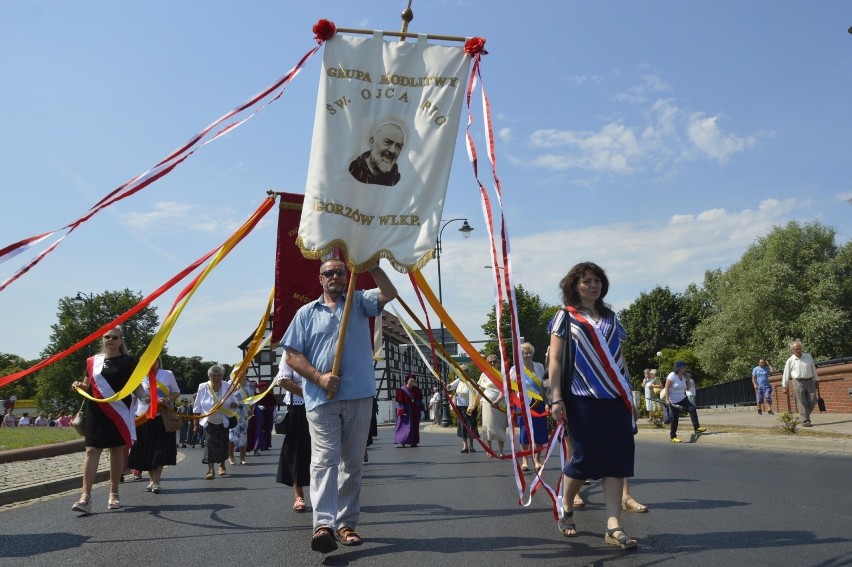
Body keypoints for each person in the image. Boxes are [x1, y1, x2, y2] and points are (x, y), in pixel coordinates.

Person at [280, 258, 397, 553]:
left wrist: (371, 266)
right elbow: (292, 355)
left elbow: (389, 293)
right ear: (320, 279)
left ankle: (346, 524)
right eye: (329, 273)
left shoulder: (359, 301)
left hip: (358, 395)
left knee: (352, 462)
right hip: (321, 399)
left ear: (347, 276)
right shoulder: (305, 313)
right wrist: (318, 377)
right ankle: (324, 525)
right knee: (324, 460)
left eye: (340, 272)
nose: (335, 276)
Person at [547, 262, 639, 549]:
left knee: (616, 460)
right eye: (587, 281)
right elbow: (556, 360)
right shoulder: (565, 316)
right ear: (575, 285)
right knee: (584, 460)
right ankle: (566, 505)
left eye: (597, 280)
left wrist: (630, 393)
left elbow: (620, 359)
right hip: (582, 398)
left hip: (616, 398)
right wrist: (556, 397)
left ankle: (613, 525)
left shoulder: (612, 318)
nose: (593, 285)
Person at [70, 326, 148, 514]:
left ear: (121, 341)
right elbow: (87, 385)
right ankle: (85, 497)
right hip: (96, 411)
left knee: (116, 451)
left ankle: (114, 493)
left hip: (119, 412)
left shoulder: (129, 361)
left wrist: (146, 397)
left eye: (114, 337)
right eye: (107, 337)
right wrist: (79, 386)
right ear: (103, 340)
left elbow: (136, 386)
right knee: (91, 450)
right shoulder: (92, 362)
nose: (110, 340)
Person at [128, 357, 180, 494]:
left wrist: (167, 399)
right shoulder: (138, 376)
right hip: (142, 418)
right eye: (149, 360)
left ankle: (156, 482)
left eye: (155, 360)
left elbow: (176, 392)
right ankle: (151, 481)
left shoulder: (167, 374)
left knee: (159, 450)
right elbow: (133, 400)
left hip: (161, 417)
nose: (152, 363)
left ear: (158, 361)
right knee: (148, 451)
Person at [275, 359, 311, 513]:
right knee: (297, 452)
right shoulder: (291, 352)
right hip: (299, 408)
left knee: (324, 452)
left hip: (324, 405)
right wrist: (309, 394)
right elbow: (282, 380)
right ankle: (299, 496)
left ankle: (326, 495)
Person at [193, 365, 238, 480]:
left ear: (222, 376)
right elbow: (197, 406)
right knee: (210, 444)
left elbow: (234, 401)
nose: (216, 378)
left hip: (223, 419)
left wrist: (234, 404)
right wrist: (195, 424)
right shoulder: (203, 387)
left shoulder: (228, 386)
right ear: (209, 376)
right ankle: (210, 470)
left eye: (219, 375)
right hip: (209, 421)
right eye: (214, 375)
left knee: (223, 443)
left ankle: (222, 466)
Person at [511, 343, 548, 471]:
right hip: (522, 404)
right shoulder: (514, 369)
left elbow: (544, 385)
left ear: (532, 353)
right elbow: (510, 387)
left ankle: (537, 460)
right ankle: (525, 460)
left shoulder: (540, 366)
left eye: (528, 352)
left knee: (539, 431)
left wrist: (548, 402)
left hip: (539, 403)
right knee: (524, 432)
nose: (526, 355)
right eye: (523, 353)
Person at [348, 122, 405, 186]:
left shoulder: (396, 181)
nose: (393, 150)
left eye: (398, 146)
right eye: (387, 142)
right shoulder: (354, 169)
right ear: (372, 142)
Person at [663, 361, 706, 443]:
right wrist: (667, 399)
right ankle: (673, 436)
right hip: (673, 400)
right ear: (679, 368)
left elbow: (687, 389)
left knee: (692, 408)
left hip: (682, 398)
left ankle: (697, 428)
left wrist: (688, 379)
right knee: (675, 418)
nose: (685, 369)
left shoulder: (684, 376)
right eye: (684, 367)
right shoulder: (672, 375)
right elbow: (667, 387)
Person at [781, 339, 820, 427]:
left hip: (810, 380)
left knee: (813, 400)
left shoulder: (808, 356)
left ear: (802, 348)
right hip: (797, 381)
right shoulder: (790, 360)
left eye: (799, 348)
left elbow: (813, 368)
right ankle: (805, 421)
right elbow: (786, 373)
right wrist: (784, 385)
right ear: (792, 350)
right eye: (796, 349)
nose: (798, 350)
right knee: (801, 401)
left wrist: (816, 380)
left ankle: (804, 415)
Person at [475, 355, 508, 457]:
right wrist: (474, 405)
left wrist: (498, 401)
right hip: (487, 404)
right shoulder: (484, 375)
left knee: (501, 427)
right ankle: (489, 450)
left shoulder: (503, 375)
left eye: (494, 362)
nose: (492, 364)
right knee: (487, 426)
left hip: (501, 404)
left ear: (498, 363)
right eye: (490, 362)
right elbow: (480, 391)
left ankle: (501, 451)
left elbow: (505, 390)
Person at [447, 369, 478, 454]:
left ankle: (471, 445)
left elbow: (476, 394)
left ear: (467, 373)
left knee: (470, 426)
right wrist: (448, 386)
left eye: (463, 372)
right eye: (460, 373)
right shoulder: (458, 381)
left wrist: (473, 406)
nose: (461, 374)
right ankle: (465, 446)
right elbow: (450, 386)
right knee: (462, 426)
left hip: (469, 407)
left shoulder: (471, 382)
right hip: (460, 407)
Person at [228, 377, 253, 466]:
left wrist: (251, 408)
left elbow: (251, 398)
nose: (242, 373)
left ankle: (242, 458)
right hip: (233, 414)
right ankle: (231, 456)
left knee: (243, 436)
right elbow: (227, 398)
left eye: (244, 371)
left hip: (244, 414)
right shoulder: (230, 383)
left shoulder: (248, 384)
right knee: (232, 437)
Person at [394, 374, 424, 447]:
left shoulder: (417, 390)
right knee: (404, 426)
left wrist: (421, 409)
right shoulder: (402, 390)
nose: (412, 382)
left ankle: (414, 442)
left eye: (413, 381)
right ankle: (403, 440)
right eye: (411, 381)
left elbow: (419, 401)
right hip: (406, 410)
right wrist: (402, 411)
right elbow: (400, 402)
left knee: (414, 426)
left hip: (415, 411)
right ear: (407, 381)